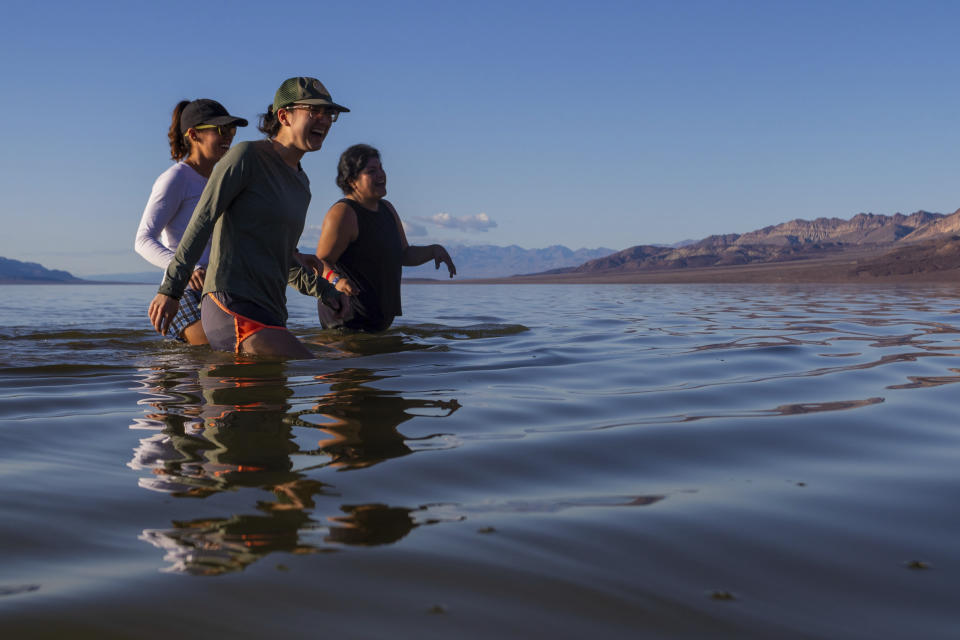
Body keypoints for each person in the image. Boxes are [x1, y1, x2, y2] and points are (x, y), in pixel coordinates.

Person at [148, 77, 348, 358]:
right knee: (324, 369)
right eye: (313, 111)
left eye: (329, 113)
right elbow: (201, 223)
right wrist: (171, 291)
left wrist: (326, 291)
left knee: (283, 396)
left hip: (272, 312)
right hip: (232, 306)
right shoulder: (246, 157)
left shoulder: (302, 185)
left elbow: (280, 256)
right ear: (284, 116)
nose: (324, 120)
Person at [135, 99, 248, 345]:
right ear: (194, 134)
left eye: (231, 130)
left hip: (219, 289)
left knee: (240, 355)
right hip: (183, 292)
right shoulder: (176, 178)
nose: (228, 137)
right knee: (222, 354)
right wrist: (190, 270)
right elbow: (143, 240)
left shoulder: (224, 181)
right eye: (220, 130)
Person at [314, 144, 456, 332]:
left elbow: (404, 254)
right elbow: (319, 262)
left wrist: (433, 250)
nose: (381, 175)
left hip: (376, 324)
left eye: (381, 168)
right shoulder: (343, 213)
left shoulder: (387, 209)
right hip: (345, 324)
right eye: (371, 171)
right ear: (352, 181)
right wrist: (336, 280)